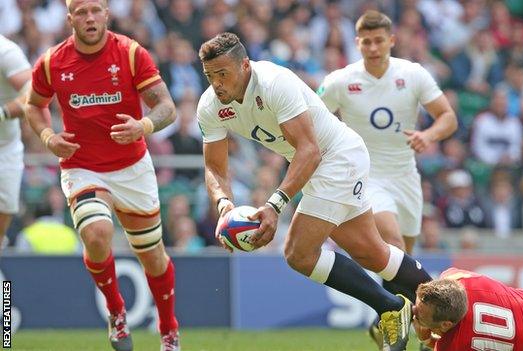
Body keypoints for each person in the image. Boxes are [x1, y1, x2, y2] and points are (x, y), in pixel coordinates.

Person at [197, 32, 434, 351]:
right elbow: (215, 167)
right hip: (318, 167)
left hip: (336, 157)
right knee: (371, 252)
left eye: (223, 74)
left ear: (245, 65)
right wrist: (223, 204)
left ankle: (391, 308)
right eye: (210, 76)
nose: (217, 83)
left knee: (298, 252)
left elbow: (309, 150)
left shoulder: (274, 82)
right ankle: (447, 302)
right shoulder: (210, 106)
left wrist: (274, 205)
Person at [25, 1, 179, 350]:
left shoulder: (130, 54)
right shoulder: (52, 62)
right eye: (81, 11)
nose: (89, 18)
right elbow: (34, 105)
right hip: (83, 166)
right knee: (96, 234)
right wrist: (49, 137)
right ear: (70, 18)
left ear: (107, 14)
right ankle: (116, 311)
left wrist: (144, 124)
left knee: (152, 256)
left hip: (132, 168)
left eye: (96, 9)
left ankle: (168, 328)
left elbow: (166, 106)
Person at [316, 11, 457, 348]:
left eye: (379, 40)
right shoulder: (340, 81)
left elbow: (448, 117)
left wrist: (429, 135)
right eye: (366, 41)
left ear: (391, 41)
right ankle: (417, 324)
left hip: (405, 176)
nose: (373, 47)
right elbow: (312, 119)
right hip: (366, 175)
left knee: (402, 260)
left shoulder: (412, 75)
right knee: (390, 241)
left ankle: (387, 320)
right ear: (357, 43)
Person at [0, 34, 31, 247]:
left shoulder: (6, 52)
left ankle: (4, 283)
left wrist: (1, 113)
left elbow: (34, 95)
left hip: (5, 150)